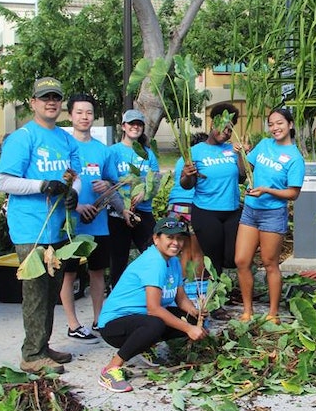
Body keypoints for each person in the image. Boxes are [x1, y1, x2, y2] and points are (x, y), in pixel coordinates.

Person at [0, 76, 82, 374]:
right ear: (33, 103)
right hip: (30, 229)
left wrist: (74, 194)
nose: (51, 102)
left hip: (58, 229)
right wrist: (41, 184)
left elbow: (76, 176)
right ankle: (31, 355)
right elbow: (2, 180)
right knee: (35, 293)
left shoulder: (66, 139)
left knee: (50, 291)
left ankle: (42, 346)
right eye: (45, 97)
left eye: (56, 97)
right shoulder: (23, 137)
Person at [96, 217, 210, 393]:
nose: (176, 243)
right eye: (170, 238)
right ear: (156, 239)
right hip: (114, 325)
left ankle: (142, 346)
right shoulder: (154, 262)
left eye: (180, 238)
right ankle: (111, 369)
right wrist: (188, 329)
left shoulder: (172, 261)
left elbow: (181, 299)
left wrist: (195, 312)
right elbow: (153, 309)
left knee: (190, 319)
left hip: (140, 319)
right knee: (156, 323)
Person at [234, 108, 306, 323]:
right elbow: (245, 170)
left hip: (273, 214)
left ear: (290, 125)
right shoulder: (264, 145)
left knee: (269, 263)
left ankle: (273, 313)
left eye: (279, 123)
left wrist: (267, 190)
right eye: (271, 124)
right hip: (250, 210)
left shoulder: (295, 158)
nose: (275, 128)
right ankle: (247, 311)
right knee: (241, 260)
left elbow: (293, 193)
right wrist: (241, 155)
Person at [62, 93, 123, 343]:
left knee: (97, 272)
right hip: (70, 225)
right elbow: (60, 185)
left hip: (99, 224)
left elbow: (114, 184)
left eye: (88, 112)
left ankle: (99, 320)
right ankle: (73, 324)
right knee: (69, 274)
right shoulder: (64, 146)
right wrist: (77, 207)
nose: (84, 117)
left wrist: (106, 185)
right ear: (70, 115)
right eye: (79, 112)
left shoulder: (103, 151)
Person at [179, 102, 247, 321]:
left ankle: (221, 293)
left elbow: (242, 177)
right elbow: (186, 184)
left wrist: (241, 155)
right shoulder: (196, 151)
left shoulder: (232, 149)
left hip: (232, 211)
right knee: (213, 260)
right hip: (206, 212)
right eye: (222, 127)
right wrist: (189, 174)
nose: (225, 132)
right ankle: (213, 303)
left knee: (232, 257)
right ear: (212, 123)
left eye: (230, 129)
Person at [108, 109, 162, 289]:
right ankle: (116, 297)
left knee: (153, 252)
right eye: (131, 123)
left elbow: (155, 181)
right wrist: (123, 206)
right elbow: (109, 183)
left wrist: (145, 191)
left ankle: (152, 291)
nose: (135, 127)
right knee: (118, 259)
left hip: (143, 212)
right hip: (119, 213)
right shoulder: (113, 152)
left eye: (139, 124)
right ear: (123, 126)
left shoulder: (148, 153)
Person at [167, 132, 209, 279]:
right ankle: (198, 292)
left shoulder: (182, 159)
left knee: (185, 251)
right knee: (198, 253)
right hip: (192, 207)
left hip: (175, 207)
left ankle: (183, 288)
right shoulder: (202, 158)